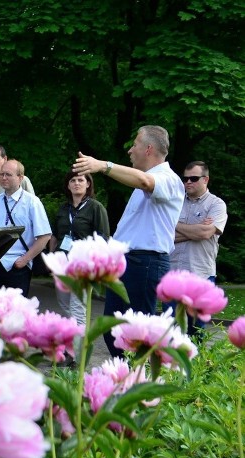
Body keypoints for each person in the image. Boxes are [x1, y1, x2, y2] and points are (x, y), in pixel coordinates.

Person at [73, 125, 185, 357]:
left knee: (137, 336)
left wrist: (103, 166)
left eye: (134, 145)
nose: (130, 151)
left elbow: (145, 181)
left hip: (145, 263)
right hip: (129, 263)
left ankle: (138, 385)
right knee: (115, 331)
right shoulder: (141, 184)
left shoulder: (169, 180)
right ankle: (123, 383)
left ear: (149, 149)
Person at [49, 170, 110, 358]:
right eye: (73, 180)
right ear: (68, 185)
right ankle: (73, 344)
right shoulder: (63, 209)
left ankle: (76, 355)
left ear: (88, 184)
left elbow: (103, 238)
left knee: (77, 307)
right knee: (66, 305)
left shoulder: (95, 207)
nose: (77, 183)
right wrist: (52, 261)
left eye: (81, 180)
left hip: (82, 265)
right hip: (62, 263)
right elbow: (55, 236)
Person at [168, 161, 227, 333]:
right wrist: (197, 229)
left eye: (193, 178)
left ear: (205, 180)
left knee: (196, 331)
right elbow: (165, 236)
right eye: (185, 179)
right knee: (169, 330)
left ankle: (194, 361)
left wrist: (175, 225)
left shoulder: (217, 205)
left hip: (200, 275)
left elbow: (205, 234)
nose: (188, 182)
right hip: (173, 275)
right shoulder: (175, 202)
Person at [0, 159, 51, 297]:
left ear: (20, 178)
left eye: (8, 175)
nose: (4, 178)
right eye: (2, 174)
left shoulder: (32, 202)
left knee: (15, 313)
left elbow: (45, 236)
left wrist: (24, 260)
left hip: (18, 266)